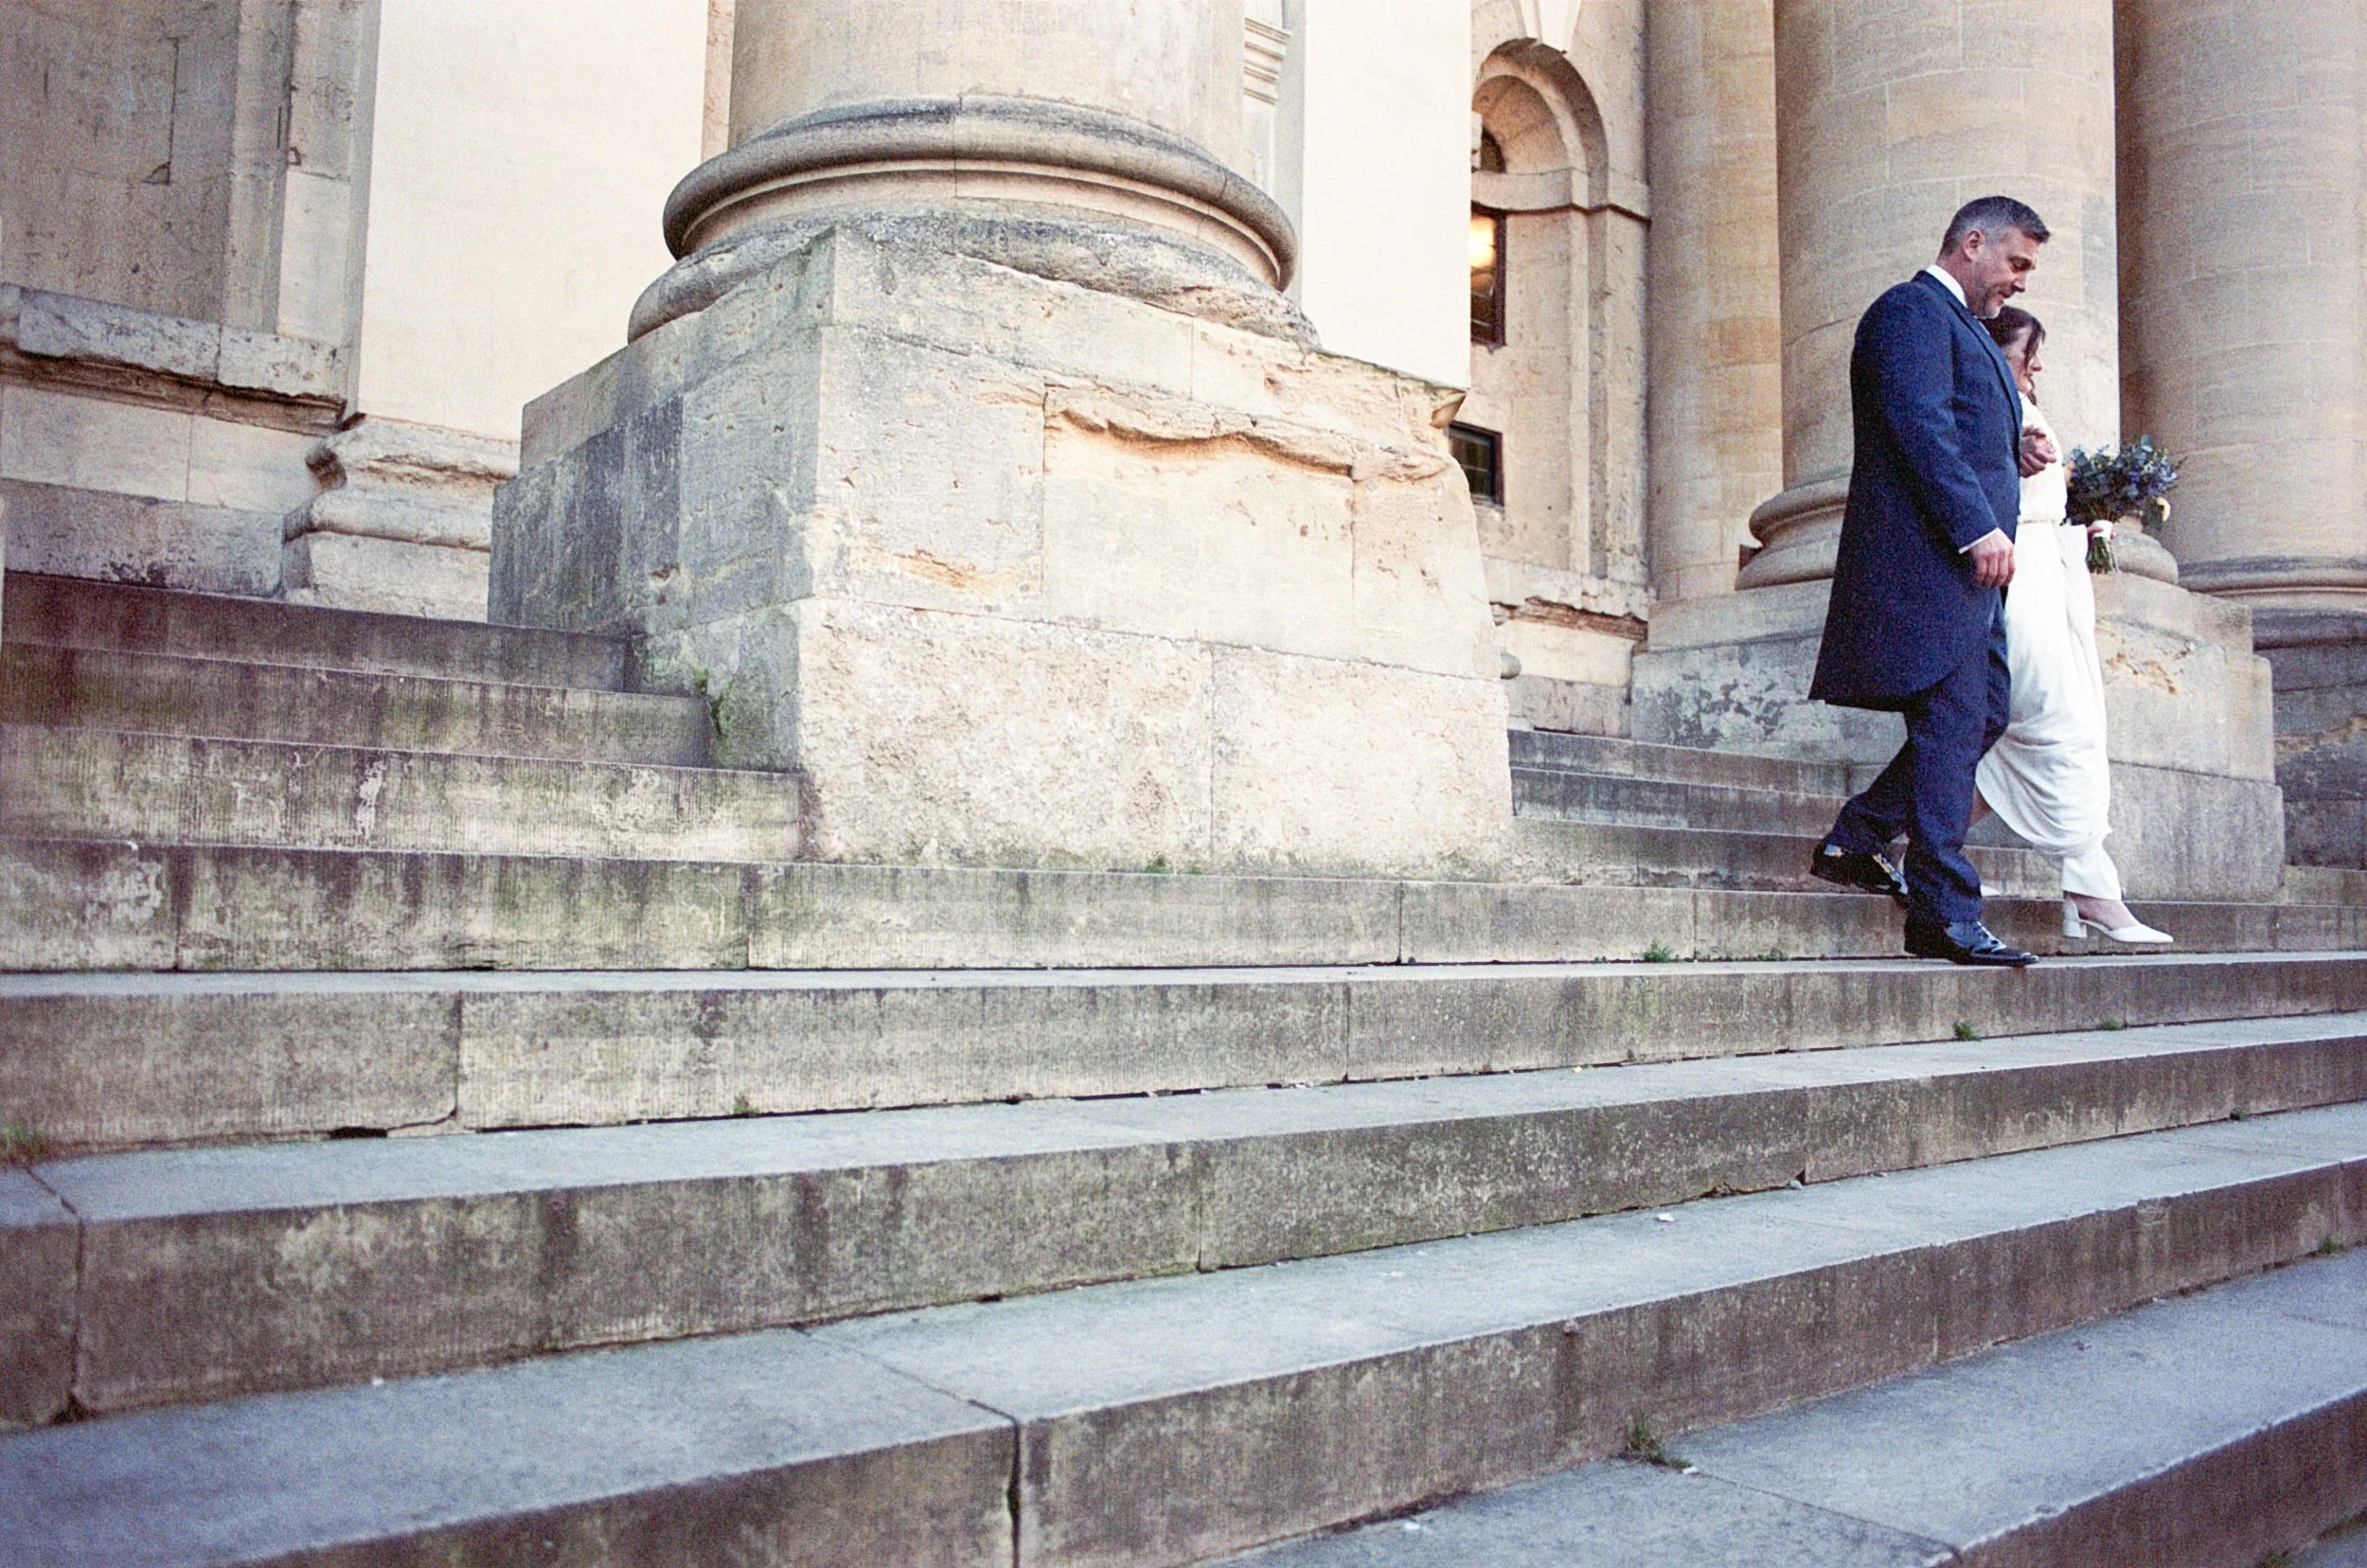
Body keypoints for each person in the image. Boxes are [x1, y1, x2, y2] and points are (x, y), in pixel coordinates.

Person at [1805, 195, 2055, 968]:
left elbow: (1953, 430)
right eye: (2016, 262)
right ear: (1972, 243)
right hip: (1935, 564)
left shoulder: (1965, 331)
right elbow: (1915, 424)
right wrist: (1977, 525)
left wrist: (2009, 459)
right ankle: (1944, 914)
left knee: (1983, 716)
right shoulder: (1910, 310)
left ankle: (1861, 834)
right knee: (1952, 727)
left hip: (1966, 574)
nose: (2019, 282)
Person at [1973, 307, 2173, 946]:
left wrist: (2086, 515)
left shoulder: (2024, 409)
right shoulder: (1989, 408)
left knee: (2074, 724)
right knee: (2048, 720)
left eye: (2038, 354)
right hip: (2020, 577)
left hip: (2051, 574)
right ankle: (2087, 889)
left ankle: (2087, 885)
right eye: (2024, 353)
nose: (2036, 365)